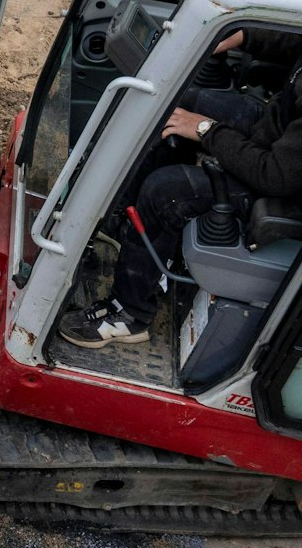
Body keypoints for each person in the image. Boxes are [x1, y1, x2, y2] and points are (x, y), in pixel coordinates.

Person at [60, 27, 302, 348]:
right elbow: (293, 41)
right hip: (276, 134)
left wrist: (204, 129)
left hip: (279, 191)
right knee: (173, 104)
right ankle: (128, 228)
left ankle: (129, 314)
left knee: (165, 192)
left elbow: (275, 174)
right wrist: (243, 35)